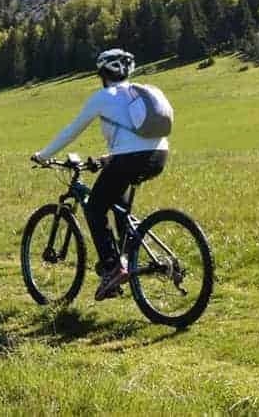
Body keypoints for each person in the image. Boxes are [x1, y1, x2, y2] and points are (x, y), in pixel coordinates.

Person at [31, 48, 168, 300]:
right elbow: (134, 136)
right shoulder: (138, 93)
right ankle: (129, 260)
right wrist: (108, 159)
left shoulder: (104, 96)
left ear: (102, 73)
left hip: (129, 159)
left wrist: (43, 155)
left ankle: (113, 268)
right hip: (158, 155)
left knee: (94, 208)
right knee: (120, 212)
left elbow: (72, 130)